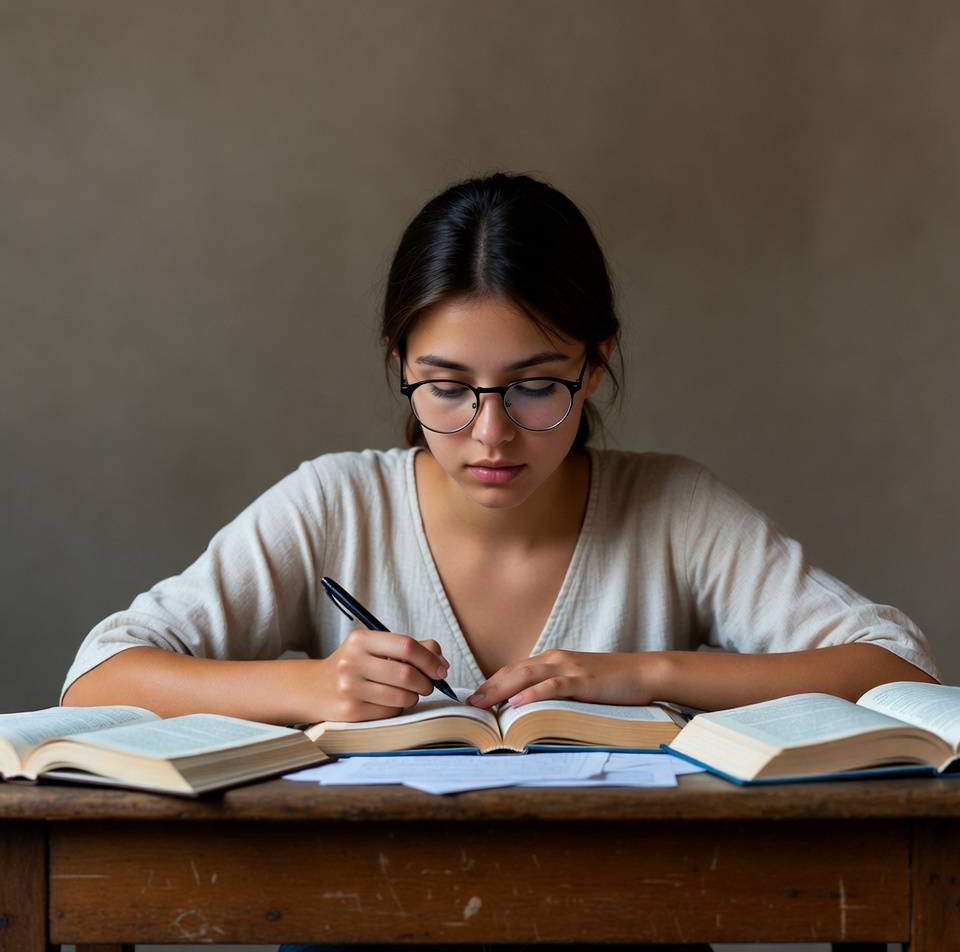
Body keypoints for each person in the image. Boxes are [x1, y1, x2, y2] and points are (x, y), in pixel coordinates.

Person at [62, 171, 939, 952]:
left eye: (534, 385)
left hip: (620, 916)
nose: (492, 433)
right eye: (446, 388)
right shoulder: (333, 504)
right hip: (358, 916)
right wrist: (308, 691)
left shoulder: (673, 507)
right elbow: (98, 678)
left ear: (594, 367)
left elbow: (894, 666)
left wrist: (649, 673)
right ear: (399, 368)